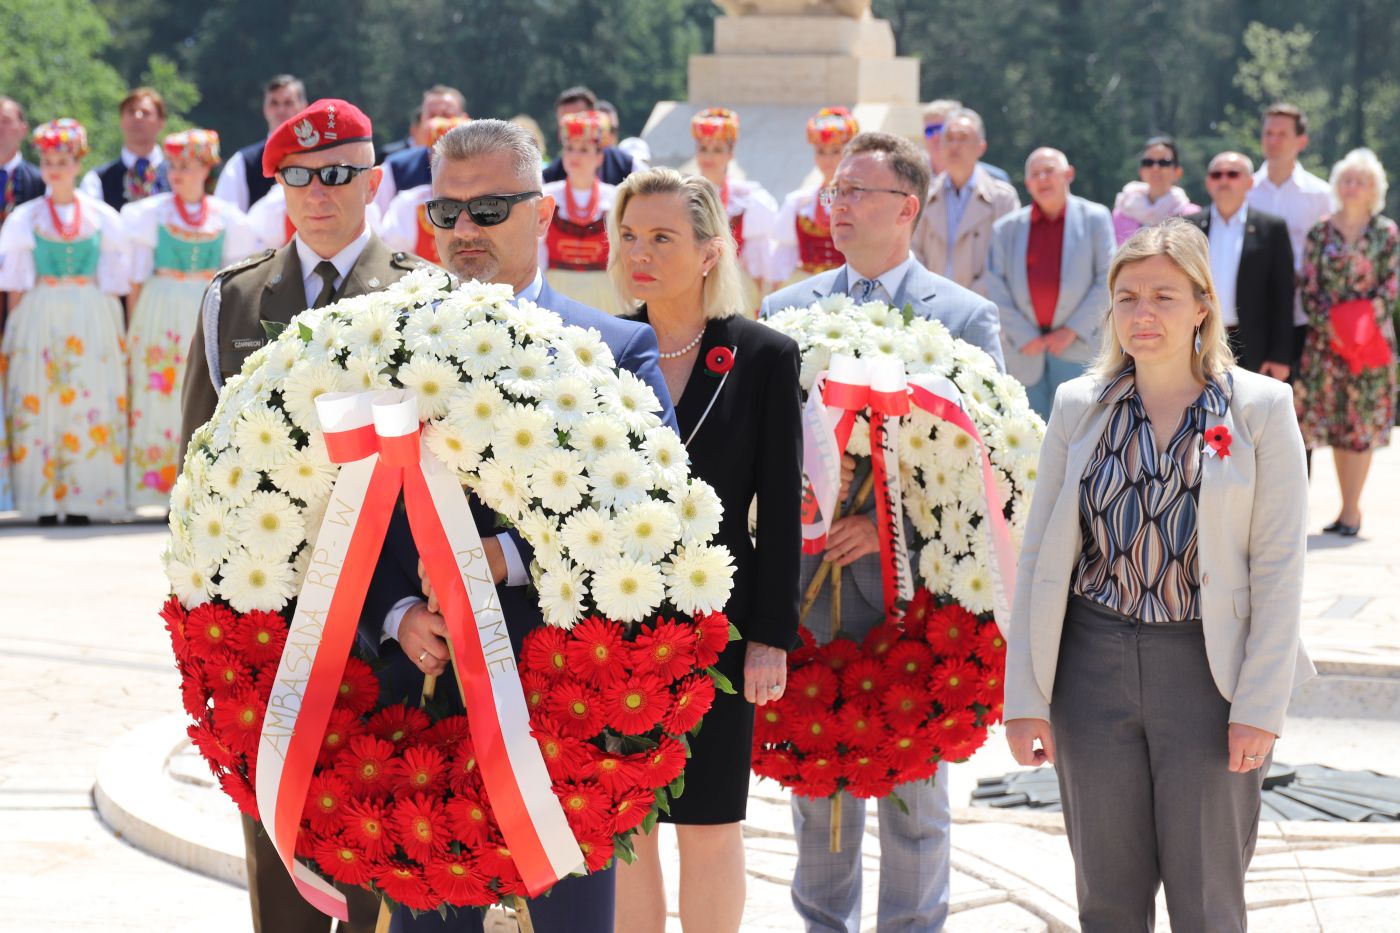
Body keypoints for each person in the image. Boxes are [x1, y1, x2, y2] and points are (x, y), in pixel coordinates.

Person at [361, 117, 676, 933]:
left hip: (566, 711)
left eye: (491, 209)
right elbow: (344, 511)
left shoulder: (615, 348)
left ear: (544, 213)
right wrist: (396, 612)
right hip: (420, 710)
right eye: (447, 211)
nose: (465, 228)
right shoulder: (377, 347)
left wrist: (504, 556)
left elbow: (650, 519)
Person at [1004, 218, 1314, 932]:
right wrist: (1025, 696)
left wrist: (1260, 706)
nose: (1143, 313)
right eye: (1128, 297)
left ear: (1203, 305)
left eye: (1164, 297)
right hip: (1090, 670)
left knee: (1207, 901)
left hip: (1208, 675)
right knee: (1107, 900)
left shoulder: (1260, 409)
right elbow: (1040, 559)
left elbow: (1279, 569)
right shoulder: (1079, 405)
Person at [180, 98, 430, 933]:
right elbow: (198, 464)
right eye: (298, 176)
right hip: (270, 612)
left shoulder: (423, 295)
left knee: (381, 828)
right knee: (276, 829)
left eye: (336, 174)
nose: (318, 192)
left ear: (373, 180)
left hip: (390, 613)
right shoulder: (234, 298)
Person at [760, 132, 1003, 933]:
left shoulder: (963, 318)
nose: (838, 205)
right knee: (818, 786)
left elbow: (986, 463)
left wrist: (885, 519)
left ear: (907, 208)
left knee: (915, 799)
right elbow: (763, 451)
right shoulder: (784, 313)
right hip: (811, 588)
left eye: (857, 191)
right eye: (835, 191)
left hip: (918, 598)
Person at [607, 168, 801, 933]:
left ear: (711, 250)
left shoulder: (762, 355)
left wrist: (771, 635)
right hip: (613, 622)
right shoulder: (597, 348)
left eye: (662, 237)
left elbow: (779, 509)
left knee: (711, 820)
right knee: (627, 823)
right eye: (629, 235)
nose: (640, 252)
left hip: (721, 623)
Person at [1, 119, 129, 525]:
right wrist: (12, 330)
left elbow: (113, 282)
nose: (54, 169)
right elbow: (16, 283)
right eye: (48, 161)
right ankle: (43, 499)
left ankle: (82, 499)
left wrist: (117, 334)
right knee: (40, 397)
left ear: (77, 163)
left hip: (89, 311)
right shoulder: (25, 218)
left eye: (62, 161)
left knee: (87, 396)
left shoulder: (101, 216)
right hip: (41, 311)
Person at [122, 129, 257, 510]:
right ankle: (158, 488)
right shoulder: (151, 214)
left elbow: (234, 278)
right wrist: (133, 329)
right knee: (158, 394)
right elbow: (136, 279)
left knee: (200, 392)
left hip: (203, 308)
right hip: (160, 310)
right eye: (173, 166)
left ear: (205, 168)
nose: (177, 174)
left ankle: (199, 485)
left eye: (186, 166)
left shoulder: (226, 217)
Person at [1294, 148, 1398, 537]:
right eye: (1347, 180)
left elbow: (1390, 286)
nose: (1353, 187)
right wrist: (1334, 328)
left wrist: (1360, 327)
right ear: (1338, 186)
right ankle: (1345, 508)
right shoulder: (1320, 231)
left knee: (1362, 426)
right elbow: (1309, 287)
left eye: (1361, 181)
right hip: (1328, 345)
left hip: (1370, 345)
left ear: (1374, 189)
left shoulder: (1386, 232)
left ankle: (1352, 510)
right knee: (1338, 425)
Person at [985, 147, 1114, 418]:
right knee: (1030, 433)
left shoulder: (1096, 218)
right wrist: (1023, 334)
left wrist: (1071, 330)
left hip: (1078, 346)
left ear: (1068, 174)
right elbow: (996, 286)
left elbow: (1107, 278)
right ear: (1027, 183)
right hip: (1023, 350)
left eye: (1049, 171)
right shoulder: (1005, 228)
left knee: (1079, 429)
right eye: (1035, 174)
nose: (1042, 179)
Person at [1186, 151, 1295, 378]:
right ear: (1208, 183)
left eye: (1233, 174)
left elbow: (1283, 295)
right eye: (1217, 175)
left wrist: (1280, 355)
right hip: (1200, 340)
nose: (1224, 180)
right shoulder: (1189, 227)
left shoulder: (1271, 229)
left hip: (1254, 347)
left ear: (1249, 182)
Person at [1247, 103, 1333, 381]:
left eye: (1282, 134)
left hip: (1304, 315)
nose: (1273, 140)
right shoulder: (1245, 191)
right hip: (1252, 315)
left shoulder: (1321, 195)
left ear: (1301, 141)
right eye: (1268, 133)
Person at [913, 107, 1020, 296]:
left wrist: (967, 301)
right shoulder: (923, 196)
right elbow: (912, 251)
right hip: (930, 304)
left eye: (962, 138)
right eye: (949, 138)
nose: (954, 145)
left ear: (981, 147)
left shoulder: (1002, 199)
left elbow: (1008, 258)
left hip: (983, 304)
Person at [691, 107, 779, 312]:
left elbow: (758, 258)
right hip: (690, 282)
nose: (709, 156)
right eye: (703, 148)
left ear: (730, 153)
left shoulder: (747, 198)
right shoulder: (682, 194)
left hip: (730, 285)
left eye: (717, 149)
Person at [538, 110, 622, 313]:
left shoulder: (614, 198)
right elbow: (538, 253)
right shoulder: (547, 195)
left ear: (600, 157)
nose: (574, 156)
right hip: (556, 289)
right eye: (569, 148)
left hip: (604, 293)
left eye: (584, 149)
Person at [768, 107, 859, 289]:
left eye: (835, 151)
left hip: (852, 284)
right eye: (821, 151)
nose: (827, 159)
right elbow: (784, 256)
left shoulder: (862, 199)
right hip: (808, 286)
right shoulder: (800, 202)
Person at [380, 115, 471, 263]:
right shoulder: (408, 205)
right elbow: (394, 259)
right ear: (429, 157)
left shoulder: (490, 203)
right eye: (442, 155)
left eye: (464, 156)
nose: (455, 165)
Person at [213, 74, 308, 212]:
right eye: (274, 103)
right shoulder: (242, 163)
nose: (281, 110)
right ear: (265, 109)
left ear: (304, 108)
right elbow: (225, 217)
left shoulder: (320, 158)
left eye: (288, 103)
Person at [372, 85, 469, 214]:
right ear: (421, 121)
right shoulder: (395, 168)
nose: (437, 123)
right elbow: (376, 215)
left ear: (464, 120)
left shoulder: (481, 167)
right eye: (432, 116)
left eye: (446, 116)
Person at [81, 87, 169, 211]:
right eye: (131, 112)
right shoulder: (97, 180)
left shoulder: (180, 176)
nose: (137, 117)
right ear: (121, 120)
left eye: (145, 113)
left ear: (161, 122)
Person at [1111, 135, 1201, 245]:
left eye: (1164, 162)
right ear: (1141, 171)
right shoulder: (1123, 213)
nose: (1155, 168)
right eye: (1148, 162)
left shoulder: (1191, 216)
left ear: (1177, 172)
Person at [543, 85, 637, 185]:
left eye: (578, 119)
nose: (572, 127)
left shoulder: (629, 168)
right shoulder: (548, 179)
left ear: (595, 118)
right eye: (565, 122)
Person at [920, 98, 1009, 183]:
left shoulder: (996, 179)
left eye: (941, 129)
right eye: (929, 131)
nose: (936, 136)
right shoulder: (915, 176)